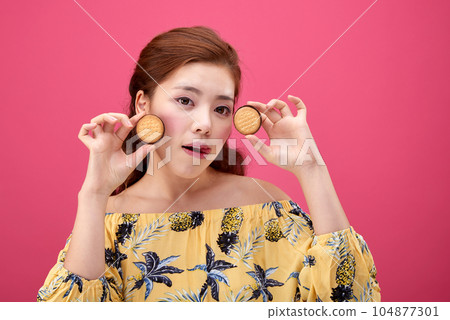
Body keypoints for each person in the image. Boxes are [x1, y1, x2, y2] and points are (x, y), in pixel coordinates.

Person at [37, 26, 381, 302]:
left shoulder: (265, 206)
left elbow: (351, 301)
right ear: (143, 104)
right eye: (185, 100)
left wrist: (311, 169)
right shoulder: (107, 221)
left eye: (221, 109)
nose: (205, 124)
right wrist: (94, 194)